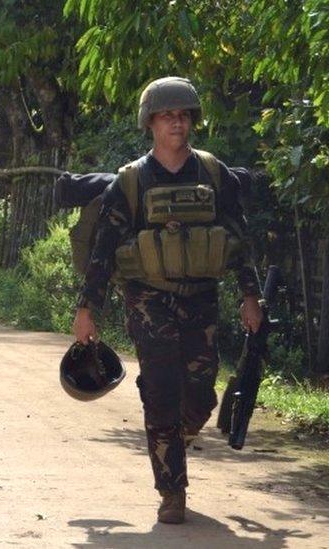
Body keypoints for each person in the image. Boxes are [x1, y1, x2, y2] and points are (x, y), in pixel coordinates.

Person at [71, 77, 263, 524]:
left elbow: (239, 239)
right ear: (151, 123)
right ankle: (171, 491)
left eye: (183, 115)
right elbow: (103, 250)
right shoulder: (132, 182)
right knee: (160, 392)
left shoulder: (214, 174)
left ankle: (177, 432)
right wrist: (87, 308)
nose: (176, 123)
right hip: (147, 299)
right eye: (166, 115)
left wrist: (250, 296)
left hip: (201, 297)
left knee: (200, 393)